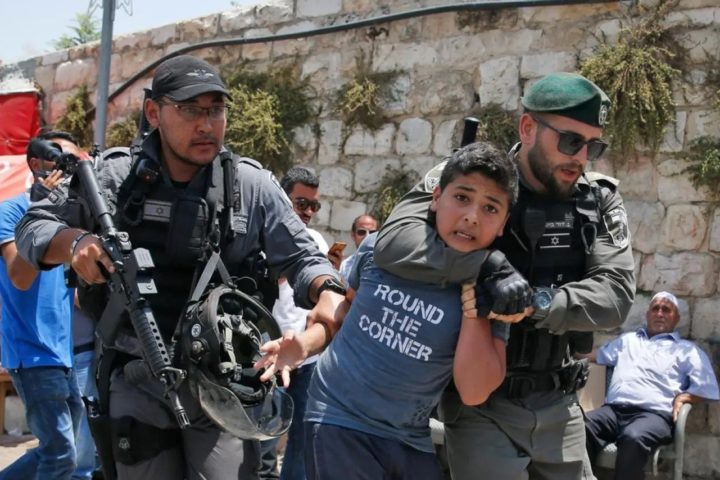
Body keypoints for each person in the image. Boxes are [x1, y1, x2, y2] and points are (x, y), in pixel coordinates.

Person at [14, 55, 345, 480]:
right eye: (190, 110)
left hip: (224, 379)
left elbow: (304, 257)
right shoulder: (113, 176)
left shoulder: (250, 186)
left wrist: (327, 290)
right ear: (154, 113)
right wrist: (75, 243)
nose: (206, 124)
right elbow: (34, 227)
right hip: (136, 371)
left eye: (216, 110)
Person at [373, 72, 636, 480]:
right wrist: (486, 266)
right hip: (480, 405)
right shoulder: (475, 175)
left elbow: (615, 295)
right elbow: (393, 242)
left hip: (560, 405)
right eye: (571, 142)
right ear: (528, 128)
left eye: (594, 146)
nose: (582, 157)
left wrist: (534, 302)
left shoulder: (598, 198)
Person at [262, 141, 516, 479]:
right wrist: (305, 345)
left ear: (504, 222)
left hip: (409, 437)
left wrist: (474, 301)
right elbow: (345, 313)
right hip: (338, 416)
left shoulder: (494, 288)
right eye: (462, 197)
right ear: (436, 197)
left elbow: (474, 391)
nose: (472, 216)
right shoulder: (384, 250)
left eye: (490, 208)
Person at [0, 131, 84, 480]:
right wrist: (40, 210)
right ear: (36, 163)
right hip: (31, 352)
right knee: (61, 456)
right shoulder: (11, 211)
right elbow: (20, 277)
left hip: (64, 352)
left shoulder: (68, 215)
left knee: (61, 452)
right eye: (60, 160)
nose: (68, 169)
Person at [583, 291, 719, 480]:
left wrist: (685, 397)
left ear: (676, 319)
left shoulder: (687, 350)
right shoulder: (628, 340)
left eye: (666, 310)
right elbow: (595, 355)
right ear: (648, 315)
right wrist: (564, 350)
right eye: (655, 308)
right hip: (613, 412)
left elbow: (708, 387)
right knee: (580, 427)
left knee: (633, 436)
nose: (660, 313)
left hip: (653, 416)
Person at [259, 166, 330, 480]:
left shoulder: (316, 241)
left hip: (308, 358)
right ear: (282, 199)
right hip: (270, 355)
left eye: (314, 205)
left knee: (302, 439)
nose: (309, 212)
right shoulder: (260, 237)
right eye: (302, 203)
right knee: (263, 437)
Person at [338, 214, 379, 280]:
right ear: (353, 235)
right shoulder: (345, 266)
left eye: (372, 233)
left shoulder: (384, 263)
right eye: (361, 232)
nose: (367, 237)